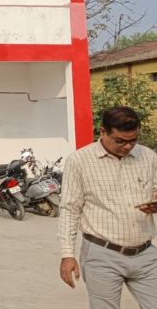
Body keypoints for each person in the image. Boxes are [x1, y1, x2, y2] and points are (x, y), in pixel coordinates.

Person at [59, 106, 157, 308]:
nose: (128, 146)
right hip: (102, 254)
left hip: (145, 254)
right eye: (120, 141)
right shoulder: (79, 161)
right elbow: (70, 209)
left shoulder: (148, 156)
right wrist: (67, 254)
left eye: (133, 140)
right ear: (103, 132)